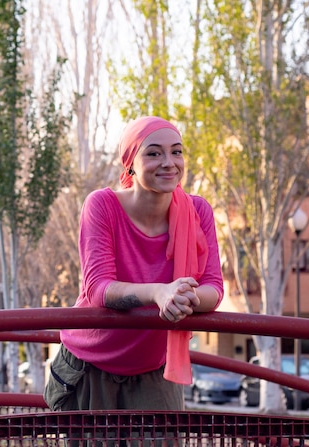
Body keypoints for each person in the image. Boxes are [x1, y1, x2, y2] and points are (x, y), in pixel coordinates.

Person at [44, 116, 224, 411]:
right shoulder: (102, 205)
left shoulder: (198, 211)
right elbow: (99, 289)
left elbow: (213, 288)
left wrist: (182, 296)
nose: (169, 162)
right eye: (153, 153)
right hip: (90, 364)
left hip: (154, 368)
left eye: (176, 151)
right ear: (130, 162)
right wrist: (159, 293)